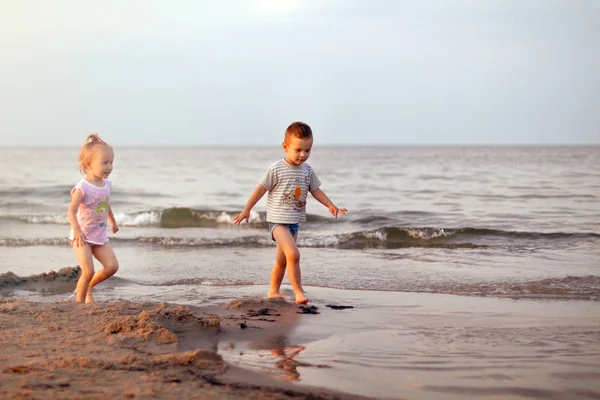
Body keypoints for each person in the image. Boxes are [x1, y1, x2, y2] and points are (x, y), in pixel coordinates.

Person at [233, 122, 347, 304]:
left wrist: (330, 205)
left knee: (283, 261)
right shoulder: (276, 169)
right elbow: (260, 189)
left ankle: (273, 291)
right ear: (285, 147)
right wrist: (247, 209)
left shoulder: (307, 170)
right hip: (278, 223)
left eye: (307, 150)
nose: (303, 155)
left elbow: (315, 190)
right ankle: (298, 292)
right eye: (298, 150)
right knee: (294, 255)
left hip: (294, 223)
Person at [67, 133, 119, 304]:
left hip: (99, 236)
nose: (110, 167)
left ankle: (89, 288)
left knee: (112, 267)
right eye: (105, 163)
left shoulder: (107, 185)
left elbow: (106, 203)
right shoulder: (83, 188)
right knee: (88, 271)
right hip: (82, 237)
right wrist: (77, 231)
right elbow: (71, 211)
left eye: (111, 162)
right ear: (89, 164)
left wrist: (112, 220)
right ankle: (79, 305)